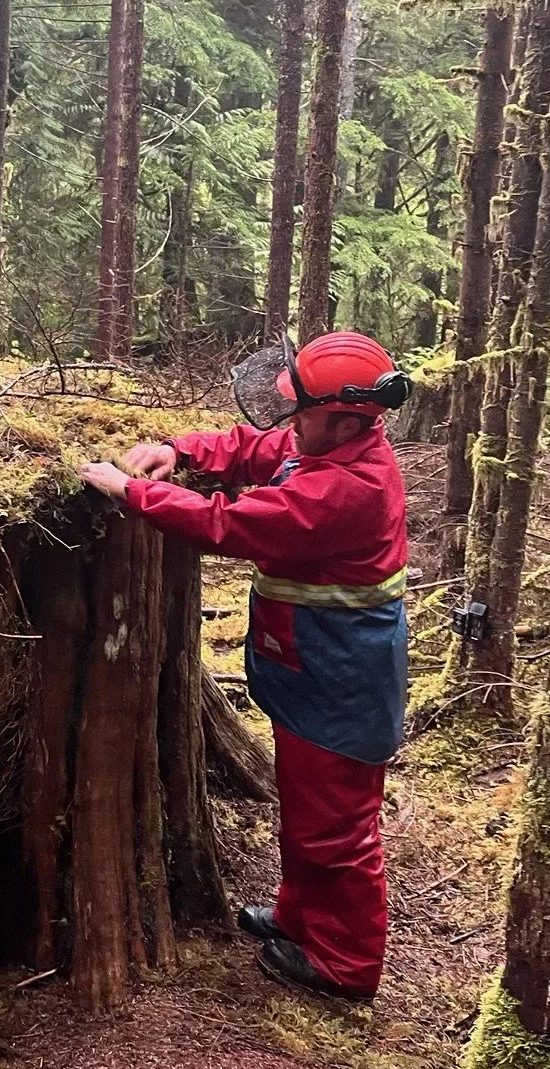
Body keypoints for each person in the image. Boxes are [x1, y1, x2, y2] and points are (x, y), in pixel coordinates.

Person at [80, 331, 411, 1000]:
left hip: (343, 673)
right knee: (307, 807)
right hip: (313, 662)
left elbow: (230, 524)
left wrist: (132, 493)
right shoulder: (327, 442)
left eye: (302, 413)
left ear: (349, 418)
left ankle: (344, 965)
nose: (289, 424)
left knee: (337, 826)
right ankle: (299, 919)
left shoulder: (348, 488)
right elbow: (254, 448)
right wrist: (181, 449)